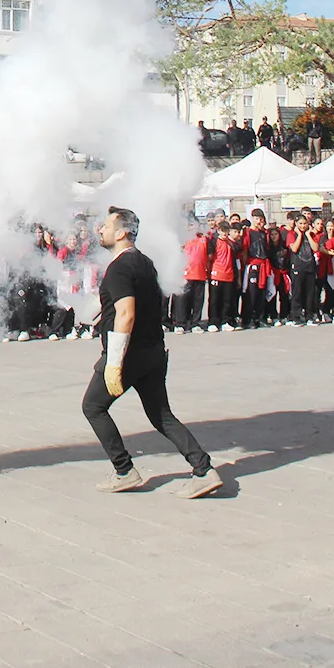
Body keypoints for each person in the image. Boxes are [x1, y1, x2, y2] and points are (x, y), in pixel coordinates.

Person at [80, 206, 221, 496]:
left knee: (93, 407)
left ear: (121, 233)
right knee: (161, 415)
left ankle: (124, 470)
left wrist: (115, 362)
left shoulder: (119, 267)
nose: (100, 230)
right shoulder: (144, 262)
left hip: (129, 353)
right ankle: (204, 469)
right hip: (154, 350)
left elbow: (127, 314)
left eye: (106, 226)